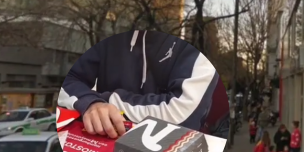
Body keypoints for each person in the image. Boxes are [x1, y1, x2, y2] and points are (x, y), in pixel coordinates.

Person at [59, 30, 220, 138]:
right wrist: (91, 103)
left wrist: (102, 103)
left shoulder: (195, 46)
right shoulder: (109, 40)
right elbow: (70, 79)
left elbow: (181, 112)